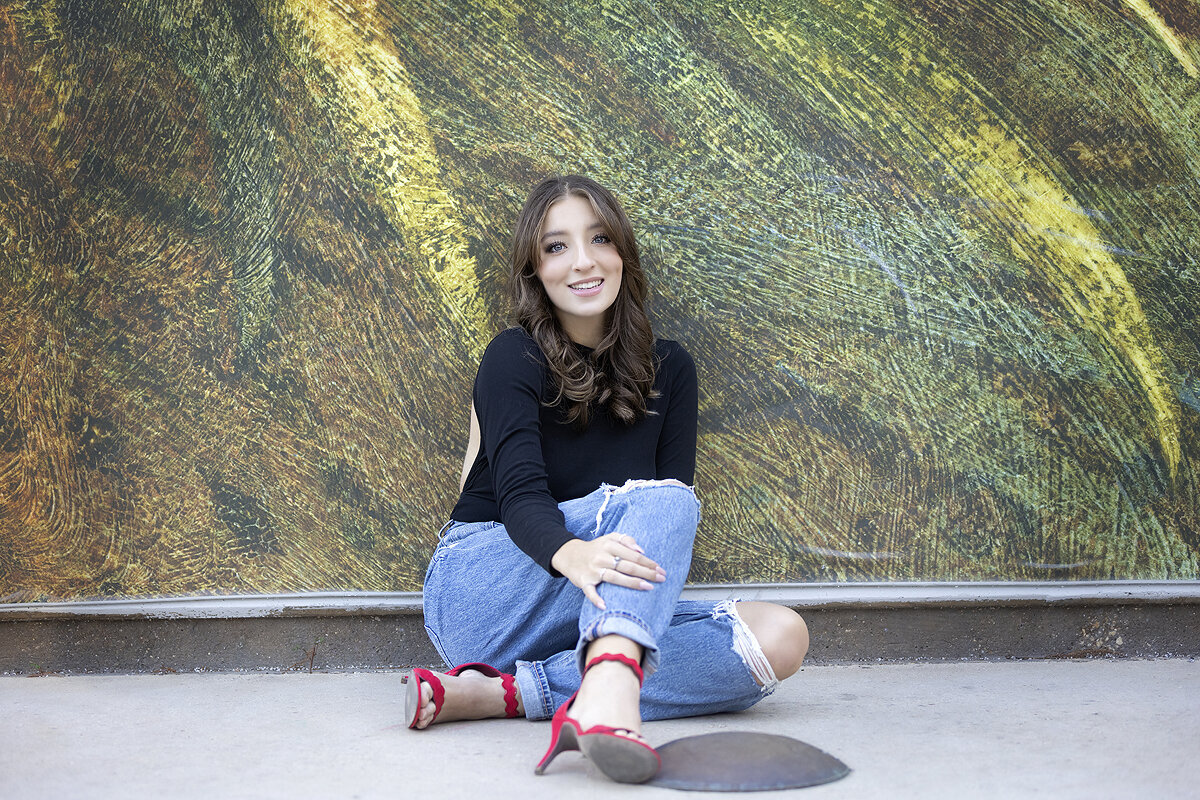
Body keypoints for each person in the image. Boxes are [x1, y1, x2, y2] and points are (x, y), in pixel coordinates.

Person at [406, 175, 809, 783]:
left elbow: (664, 533)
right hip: (486, 589)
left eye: (599, 239)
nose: (583, 262)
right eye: (557, 247)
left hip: (592, 603)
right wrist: (573, 553)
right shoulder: (510, 357)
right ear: (534, 270)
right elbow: (518, 498)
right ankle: (613, 686)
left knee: (779, 637)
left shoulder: (670, 369)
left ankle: (511, 694)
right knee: (667, 500)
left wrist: (609, 577)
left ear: (623, 254)